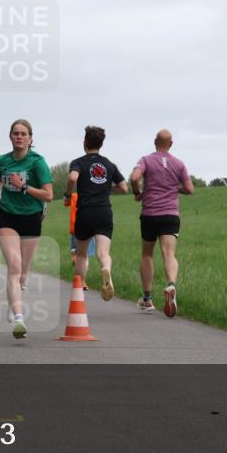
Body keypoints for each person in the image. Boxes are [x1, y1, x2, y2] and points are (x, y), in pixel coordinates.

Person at [0, 119, 53, 339]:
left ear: (30, 138)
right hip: (7, 216)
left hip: (31, 218)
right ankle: (19, 318)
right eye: (15, 133)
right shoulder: (2, 160)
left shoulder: (38, 162)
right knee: (14, 266)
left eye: (23, 134)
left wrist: (23, 186)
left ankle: (14, 301)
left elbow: (48, 195)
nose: (19, 137)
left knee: (23, 273)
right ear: (10, 136)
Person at [129, 128, 194, 317]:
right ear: (171, 144)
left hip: (150, 214)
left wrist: (137, 192)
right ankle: (171, 285)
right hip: (170, 215)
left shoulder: (146, 160)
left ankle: (147, 299)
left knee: (147, 254)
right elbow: (190, 189)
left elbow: (134, 177)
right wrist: (175, 188)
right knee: (169, 253)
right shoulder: (179, 163)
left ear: (154, 142)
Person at [64, 126, 128, 300]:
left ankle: (79, 289)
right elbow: (124, 187)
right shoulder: (109, 164)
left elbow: (72, 178)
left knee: (81, 254)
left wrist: (68, 195)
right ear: (101, 144)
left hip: (85, 212)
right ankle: (106, 269)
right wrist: (106, 188)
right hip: (104, 211)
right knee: (103, 253)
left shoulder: (78, 162)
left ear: (85, 142)